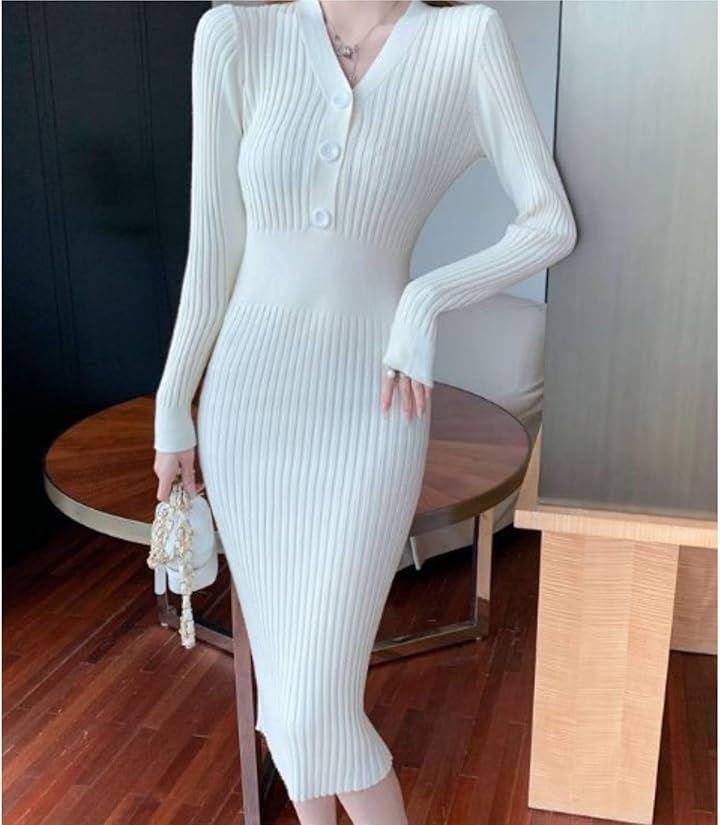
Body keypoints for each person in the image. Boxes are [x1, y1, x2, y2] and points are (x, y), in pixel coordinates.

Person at [152, 1, 577, 822]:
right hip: (247, 406)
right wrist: (175, 407)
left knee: (317, 707)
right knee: (286, 701)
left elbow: (549, 221)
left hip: (371, 408)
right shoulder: (236, 36)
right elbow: (214, 251)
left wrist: (425, 300)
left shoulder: (465, 42)